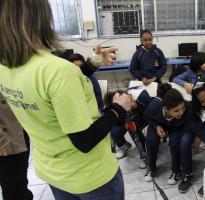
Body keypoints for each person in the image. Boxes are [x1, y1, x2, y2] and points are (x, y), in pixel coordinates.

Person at [0, 1, 132, 199]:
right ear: (41, 17)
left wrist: (93, 63)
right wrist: (117, 109)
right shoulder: (58, 70)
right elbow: (84, 141)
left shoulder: (5, 66)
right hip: (91, 177)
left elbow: (52, 87)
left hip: (54, 173)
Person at [143, 83, 196, 193]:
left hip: (176, 127)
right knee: (151, 139)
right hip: (159, 124)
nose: (181, 112)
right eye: (176, 111)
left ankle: (176, 171)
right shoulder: (154, 106)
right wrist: (156, 126)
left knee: (175, 142)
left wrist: (196, 137)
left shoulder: (187, 106)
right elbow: (147, 116)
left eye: (182, 108)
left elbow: (193, 122)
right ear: (166, 109)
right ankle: (151, 167)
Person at [104, 87, 152, 167]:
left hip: (143, 117)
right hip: (129, 118)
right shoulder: (118, 103)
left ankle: (146, 158)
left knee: (134, 130)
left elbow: (152, 113)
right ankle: (124, 146)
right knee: (114, 131)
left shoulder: (141, 95)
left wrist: (133, 112)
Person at [0, 94, 33, 200]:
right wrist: (1, 141)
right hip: (7, 139)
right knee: (13, 187)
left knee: (20, 181)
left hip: (17, 126)